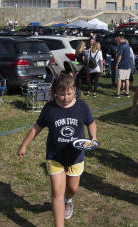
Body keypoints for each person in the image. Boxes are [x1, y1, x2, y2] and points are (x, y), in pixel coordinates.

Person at [18, 73, 97, 226]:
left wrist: (92, 137)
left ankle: (68, 200)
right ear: (54, 92)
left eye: (69, 93)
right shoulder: (49, 108)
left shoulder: (82, 106)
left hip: (76, 156)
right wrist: (24, 144)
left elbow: (91, 123)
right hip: (55, 156)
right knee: (56, 193)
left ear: (74, 90)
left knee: (72, 189)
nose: (66, 97)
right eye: (62, 94)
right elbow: (36, 127)